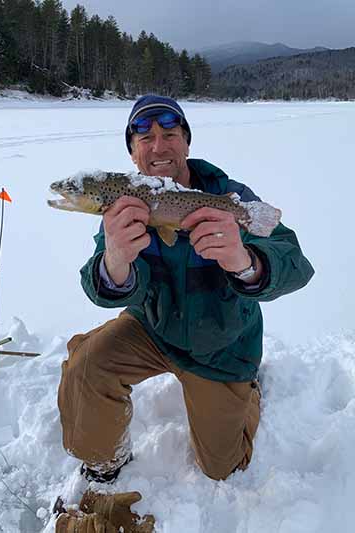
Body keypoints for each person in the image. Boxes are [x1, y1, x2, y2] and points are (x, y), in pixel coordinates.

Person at [58, 94, 314, 483]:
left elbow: (296, 263)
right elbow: (100, 287)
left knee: (221, 468)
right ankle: (103, 465)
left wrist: (246, 263)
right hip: (154, 327)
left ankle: (249, 390)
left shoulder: (227, 194)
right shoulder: (124, 202)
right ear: (132, 154)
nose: (158, 146)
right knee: (86, 366)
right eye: (145, 139)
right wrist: (114, 263)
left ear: (187, 142)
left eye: (170, 133)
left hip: (221, 344)